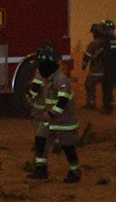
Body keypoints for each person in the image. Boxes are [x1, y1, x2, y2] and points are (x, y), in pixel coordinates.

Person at [26, 44, 82, 183]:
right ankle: (41, 170)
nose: (39, 68)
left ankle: (75, 172)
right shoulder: (49, 78)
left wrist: (50, 114)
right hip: (49, 121)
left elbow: (62, 101)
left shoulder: (62, 80)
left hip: (64, 123)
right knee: (40, 141)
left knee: (68, 148)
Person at [79, 22, 107, 110]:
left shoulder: (94, 43)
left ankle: (91, 103)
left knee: (89, 85)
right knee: (106, 88)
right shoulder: (107, 42)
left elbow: (87, 56)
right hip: (107, 70)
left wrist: (84, 65)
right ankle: (108, 104)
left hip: (96, 70)